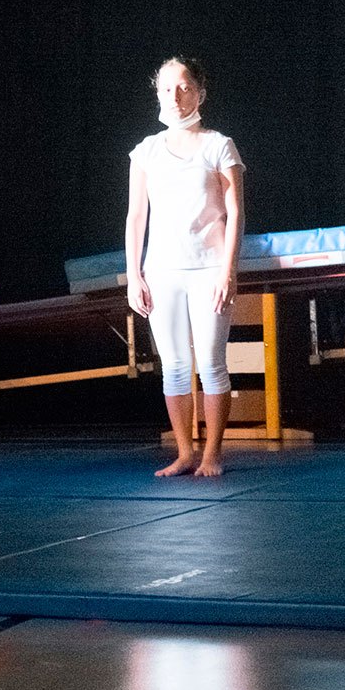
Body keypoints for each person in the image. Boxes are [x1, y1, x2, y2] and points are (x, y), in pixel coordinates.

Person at [125, 57, 245, 478]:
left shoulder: (218, 145)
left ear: (199, 93)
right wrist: (134, 274)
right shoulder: (146, 151)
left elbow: (234, 211)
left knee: (211, 362)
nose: (174, 97)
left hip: (209, 268)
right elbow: (136, 216)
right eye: (166, 89)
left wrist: (228, 270)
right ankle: (184, 452)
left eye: (183, 88)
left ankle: (212, 454)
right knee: (174, 366)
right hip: (162, 271)